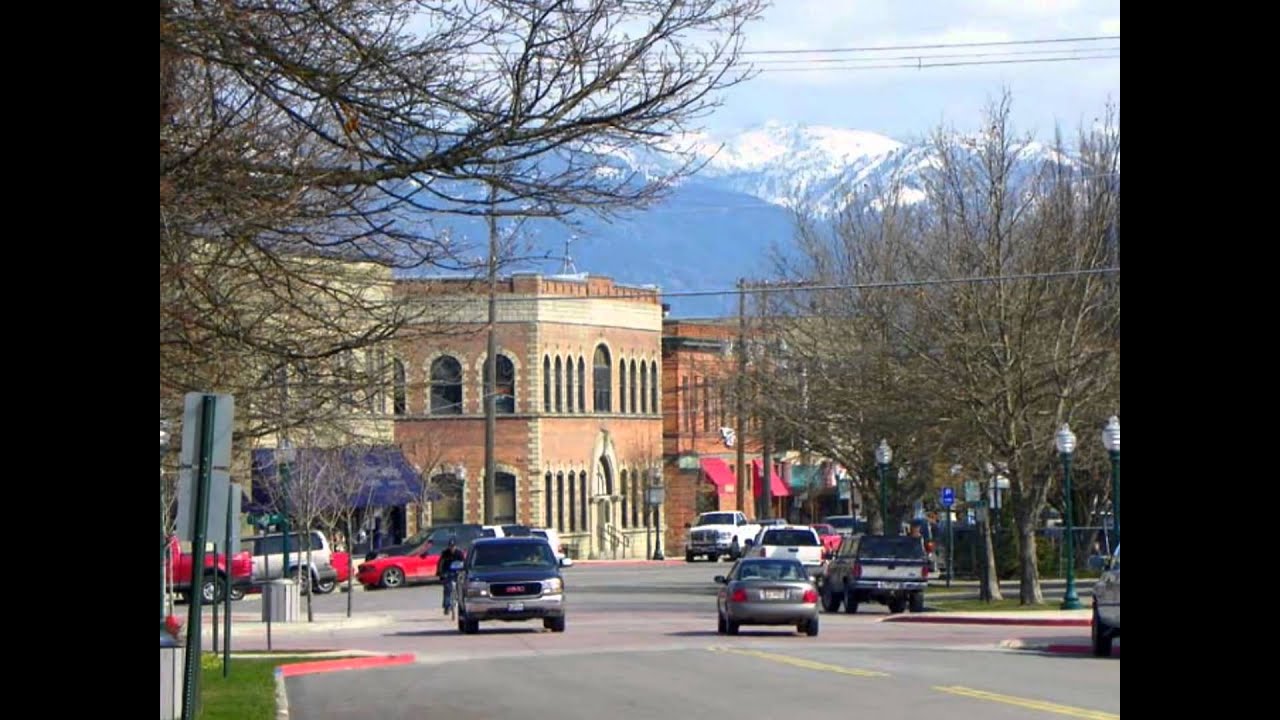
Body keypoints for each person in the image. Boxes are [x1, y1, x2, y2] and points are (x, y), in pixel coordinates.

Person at [437, 537, 465, 614]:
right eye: (450, 546)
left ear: (455, 546)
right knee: (447, 589)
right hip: (447, 572)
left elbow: (463, 564)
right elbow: (440, 563)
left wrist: (463, 572)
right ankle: (447, 606)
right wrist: (440, 573)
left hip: (457, 572)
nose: (452, 548)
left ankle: (462, 606)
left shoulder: (459, 553)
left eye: (453, 546)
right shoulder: (445, 553)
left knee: (460, 589)